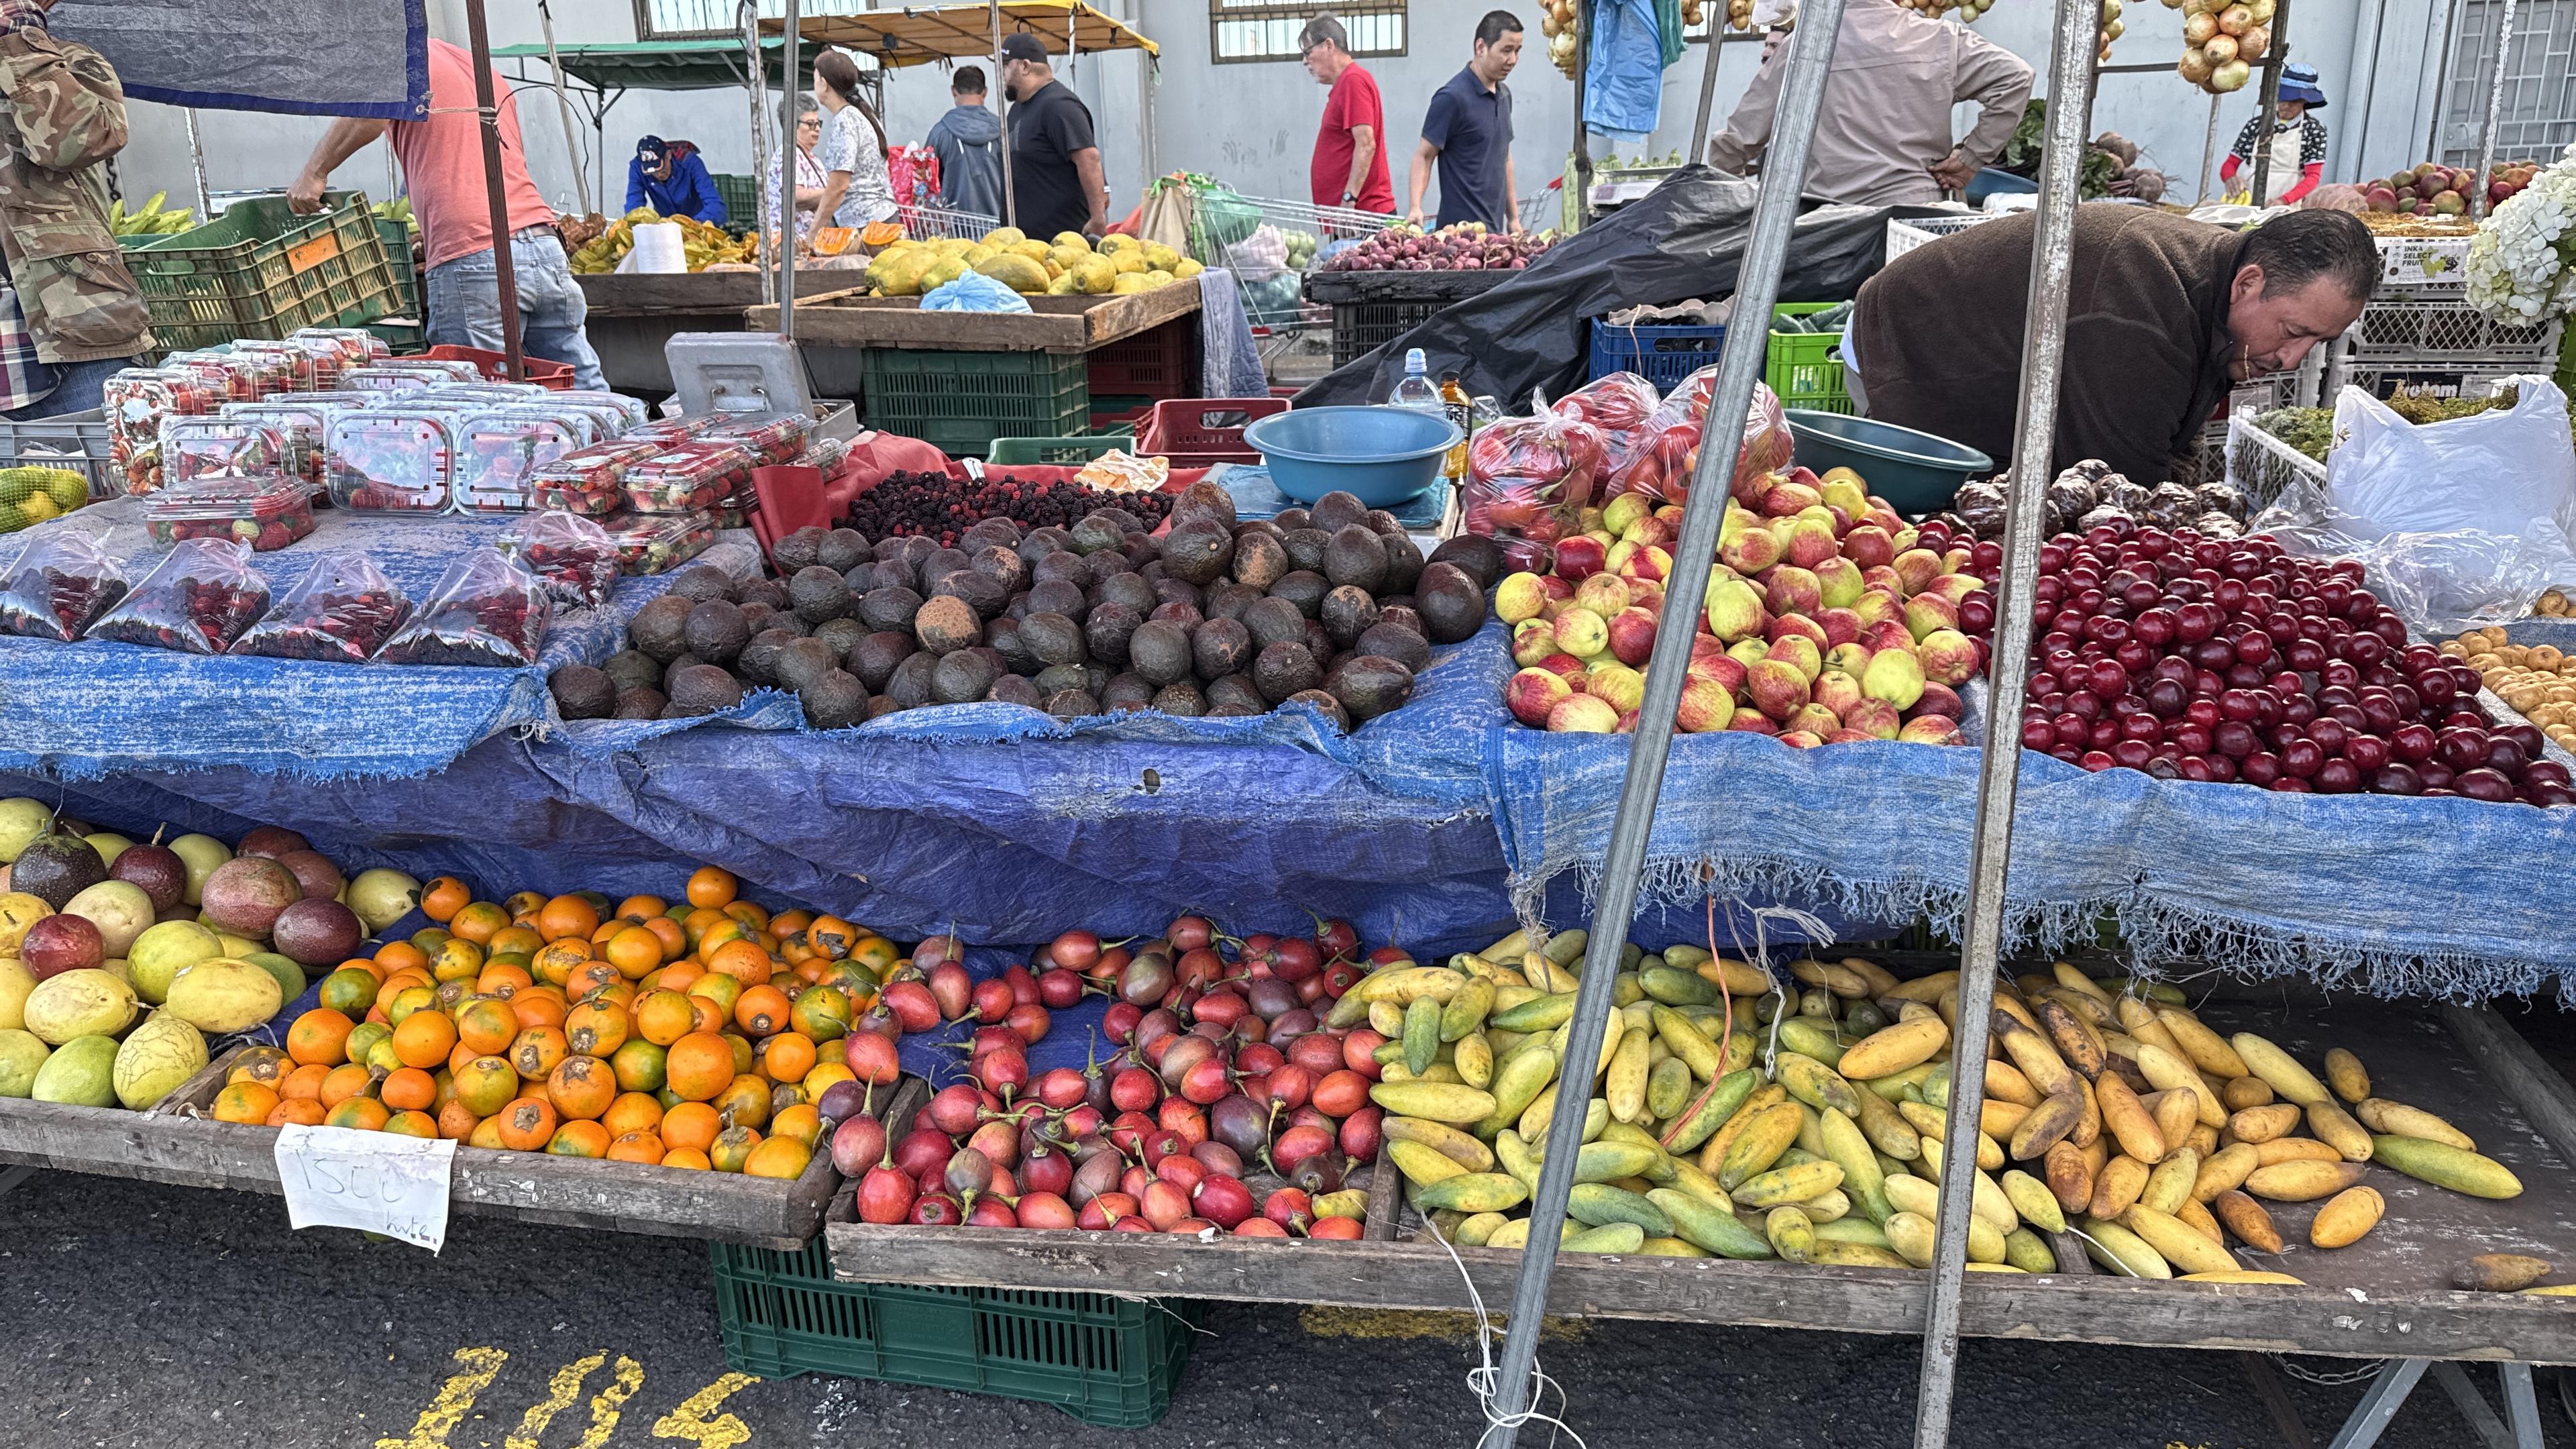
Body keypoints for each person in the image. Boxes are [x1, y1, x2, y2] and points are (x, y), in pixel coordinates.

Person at [1848, 205, 2374, 482]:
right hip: (1909, 343)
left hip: (1996, 341)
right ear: (2249, 284)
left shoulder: (2215, 279)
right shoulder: (2139, 313)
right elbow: (2115, 483)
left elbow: (2167, 433)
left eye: (2319, 343)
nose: (2292, 361)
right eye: (2294, 332)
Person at [288, 38, 604, 390]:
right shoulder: (474, 66)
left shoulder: (398, 54)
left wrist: (314, 173)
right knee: (580, 388)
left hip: (475, 254)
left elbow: (370, 113)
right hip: (544, 247)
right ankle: (616, 441)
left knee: (474, 397)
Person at [1704, 0, 2031, 205]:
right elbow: (2016, 77)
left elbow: (1737, 142)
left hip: (1823, 222)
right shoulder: (1941, 39)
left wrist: (1721, 202)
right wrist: (1971, 158)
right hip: (1915, 213)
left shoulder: (1800, 48)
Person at [0, 0, 150, 418]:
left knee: (101, 475)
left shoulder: (64, 60)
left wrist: (19, 38)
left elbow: (74, 144)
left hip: (66, 336)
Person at [1407, 11, 1521, 231]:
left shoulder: (1504, 95)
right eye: (1506, 50)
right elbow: (1424, 155)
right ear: (1481, 47)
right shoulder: (1451, 98)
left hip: (1493, 236)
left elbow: (1504, 157)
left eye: (1517, 51)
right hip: (1457, 239)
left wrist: (1513, 218)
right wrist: (1415, 207)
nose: (1513, 60)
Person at [998, 33, 1106, 239]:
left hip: (1061, 242)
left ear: (1025, 66)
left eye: (1005, 65)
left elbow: (1089, 159)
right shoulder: (1018, 109)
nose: (1002, 73)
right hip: (1026, 244)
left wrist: (1098, 218)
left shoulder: (1059, 106)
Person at [1299, 15, 1393, 214]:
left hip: (1360, 214)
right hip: (1350, 214)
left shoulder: (1353, 81)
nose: (1305, 62)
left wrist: (1349, 198)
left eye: (1308, 53)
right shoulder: (1345, 84)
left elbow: (1366, 144)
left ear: (1329, 45)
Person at [810, 50, 898, 233]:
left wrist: (814, 232)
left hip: (866, 225)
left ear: (824, 84)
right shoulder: (865, 115)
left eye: (815, 80)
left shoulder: (845, 120)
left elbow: (839, 186)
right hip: (883, 217)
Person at [2220, 64, 2329, 206]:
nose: (2286, 105)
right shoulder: (2257, 125)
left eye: (2294, 101)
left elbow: (2313, 176)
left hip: (2287, 203)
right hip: (2248, 201)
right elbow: (2230, 164)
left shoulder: (2314, 130)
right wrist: (2230, 178)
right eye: (2283, 98)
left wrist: (2284, 200)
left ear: (2305, 101)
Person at [926, 65, 1004, 219]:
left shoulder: (939, 133)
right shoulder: (1004, 132)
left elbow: (926, 181)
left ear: (953, 91)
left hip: (954, 228)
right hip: (999, 225)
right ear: (985, 92)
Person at [625, 136, 727, 223]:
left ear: (668, 155)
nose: (659, 175)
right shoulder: (637, 167)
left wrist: (692, 226)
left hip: (698, 221)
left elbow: (716, 206)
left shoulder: (690, 162)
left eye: (662, 169)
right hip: (665, 225)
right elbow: (634, 206)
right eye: (653, 172)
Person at [767, 95, 828, 240]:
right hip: (793, 245)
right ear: (792, 125)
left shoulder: (813, 159)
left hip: (811, 241)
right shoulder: (788, 154)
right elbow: (796, 196)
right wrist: (832, 192)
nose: (817, 129)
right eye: (811, 124)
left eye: (819, 123)